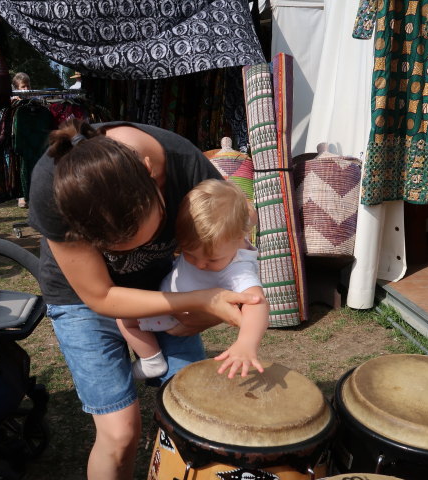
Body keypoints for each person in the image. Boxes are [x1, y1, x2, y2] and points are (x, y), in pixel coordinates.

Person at [27, 119, 260, 479]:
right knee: (120, 435)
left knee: (192, 414)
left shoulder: (188, 167)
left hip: (163, 290)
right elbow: (101, 295)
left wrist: (208, 309)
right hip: (81, 300)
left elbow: (234, 254)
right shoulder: (51, 186)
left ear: (150, 175)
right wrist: (202, 300)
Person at [118, 179, 269, 380]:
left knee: (123, 318)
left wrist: (247, 343)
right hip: (168, 303)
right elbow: (247, 217)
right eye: (189, 254)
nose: (200, 264)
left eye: (212, 259)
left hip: (170, 314)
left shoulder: (238, 267)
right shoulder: (227, 236)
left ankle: (151, 359)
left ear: (240, 238)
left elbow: (257, 303)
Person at [12, 72, 31, 207]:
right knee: (18, 166)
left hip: (31, 138)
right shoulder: (12, 103)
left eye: (27, 86)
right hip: (16, 138)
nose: (26, 89)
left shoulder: (34, 100)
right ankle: (21, 195)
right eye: (23, 87)